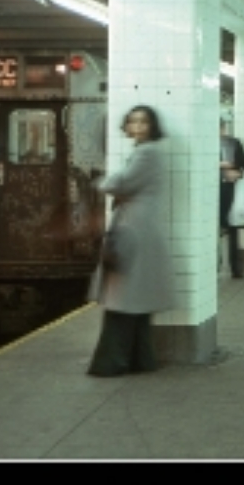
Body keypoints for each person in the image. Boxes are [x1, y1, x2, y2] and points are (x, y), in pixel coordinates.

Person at [87, 105, 177, 377]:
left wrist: (101, 182)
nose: (137, 126)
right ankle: (141, 360)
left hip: (133, 233)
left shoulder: (146, 153)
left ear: (152, 127)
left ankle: (110, 363)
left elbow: (121, 183)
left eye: (144, 122)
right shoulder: (146, 152)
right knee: (134, 303)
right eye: (132, 121)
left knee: (121, 301)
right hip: (138, 230)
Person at [219, 120, 244, 278]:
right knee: (212, 230)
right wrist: (220, 165)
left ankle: (236, 268)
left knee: (233, 229)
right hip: (209, 193)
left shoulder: (233, 144)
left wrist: (238, 173)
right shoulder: (202, 143)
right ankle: (214, 266)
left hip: (230, 190)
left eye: (219, 128)